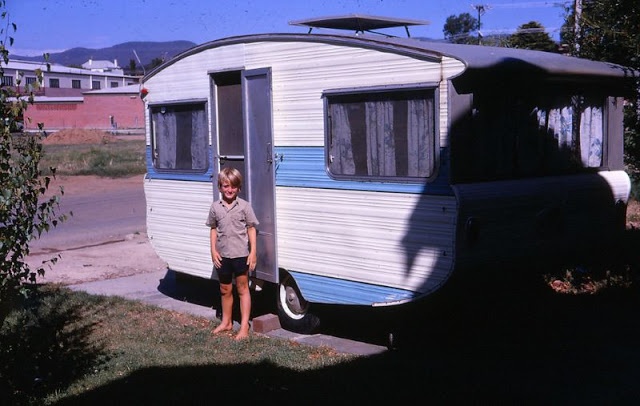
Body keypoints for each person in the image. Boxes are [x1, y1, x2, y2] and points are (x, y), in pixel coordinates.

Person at [206, 167, 259, 340]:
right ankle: (226, 322)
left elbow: (251, 228)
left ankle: (244, 326)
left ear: (239, 188)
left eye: (233, 187)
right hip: (223, 256)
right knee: (224, 289)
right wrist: (213, 250)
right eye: (226, 186)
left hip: (241, 254)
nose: (229, 190)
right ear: (220, 187)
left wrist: (253, 253)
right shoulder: (215, 207)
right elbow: (213, 229)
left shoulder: (244, 206)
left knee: (243, 288)